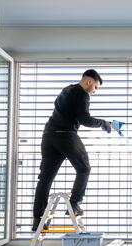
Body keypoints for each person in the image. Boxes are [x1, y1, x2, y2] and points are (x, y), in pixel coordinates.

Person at [32, 70, 111, 231]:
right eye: (95, 87)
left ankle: (38, 220)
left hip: (48, 136)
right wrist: (104, 123)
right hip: (66, 135)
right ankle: (74, 204)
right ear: (89, 82)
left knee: (45, 179)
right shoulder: (82, 94)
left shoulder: (66, 89)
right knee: (84, 168)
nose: (94, 91)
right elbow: (85, 120)